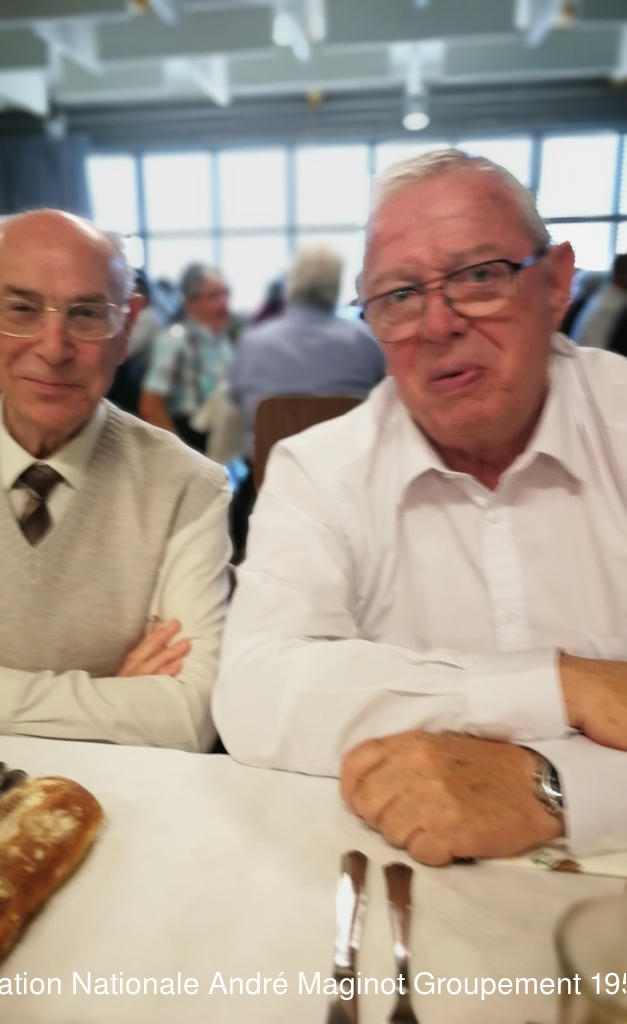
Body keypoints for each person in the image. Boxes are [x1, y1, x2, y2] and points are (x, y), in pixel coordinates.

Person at [213, 149, 627, 865]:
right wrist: (560, 685)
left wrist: (555, 788)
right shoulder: (320, 469)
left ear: (556, 281)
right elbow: (256, 691)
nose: (438, 324)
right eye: (400, 295)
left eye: (479, 276)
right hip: (404, 872)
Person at [0, 209, 231, 751]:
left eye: (87, 314)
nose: (54, 348)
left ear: (126, 327)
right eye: (22, 309)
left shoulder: (187, 487)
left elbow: (187, 718)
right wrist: (109, 707)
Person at [229, 243, 385, 461]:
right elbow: (387, 396)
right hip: (346, 468)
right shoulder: (364, 341)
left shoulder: (252, 343)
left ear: (292, 282)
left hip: (269, 470)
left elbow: (235, 400)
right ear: (336, 285)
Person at [139, 263, 233, 452]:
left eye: (225, 294)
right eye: (214, 296)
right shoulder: (175, 339)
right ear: (191, 303)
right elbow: (150, 406)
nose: (224, 303)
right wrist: (183, 454)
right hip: (193, 438)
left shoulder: (220, 340)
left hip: (223, 436)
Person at [568, 253, 627, 349]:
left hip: (582, 351)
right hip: (596, 354)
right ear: (619, 274)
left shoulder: (601, 294)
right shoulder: (617, 303)